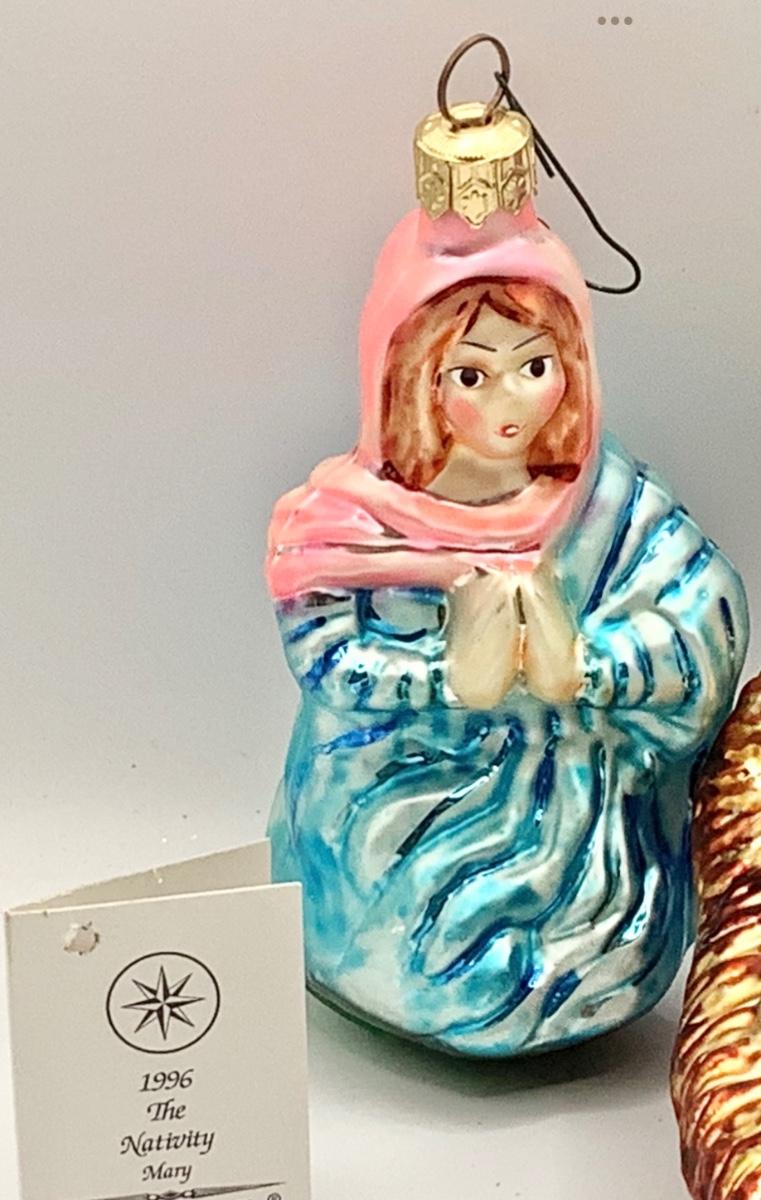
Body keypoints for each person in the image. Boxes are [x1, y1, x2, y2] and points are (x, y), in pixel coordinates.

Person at [266, 204, 748, 1057]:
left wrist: (588, 667)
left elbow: (702, 623)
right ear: (413, 374)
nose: (510, 400)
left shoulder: (608, 505)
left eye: (535, 366)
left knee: (596, 925)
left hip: (589, 849)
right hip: (399, 817)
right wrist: (449, 679)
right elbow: (327, 656)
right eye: (472, 373)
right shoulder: (346, 524)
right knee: (412, 927)